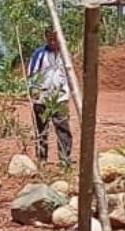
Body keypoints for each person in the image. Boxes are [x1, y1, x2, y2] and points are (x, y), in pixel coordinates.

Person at [26, 29, 72, 167]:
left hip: (60, 97)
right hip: (42, 98)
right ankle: (42, 159)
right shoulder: (39, 54)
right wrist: (34, 88)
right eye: (50, 39)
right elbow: (32, 73)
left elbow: (70, 75)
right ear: (46, 38)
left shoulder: (66, 55)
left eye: (55, 39)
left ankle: (64, 159)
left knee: (63, 129)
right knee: (41, 130)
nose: (52, 42)